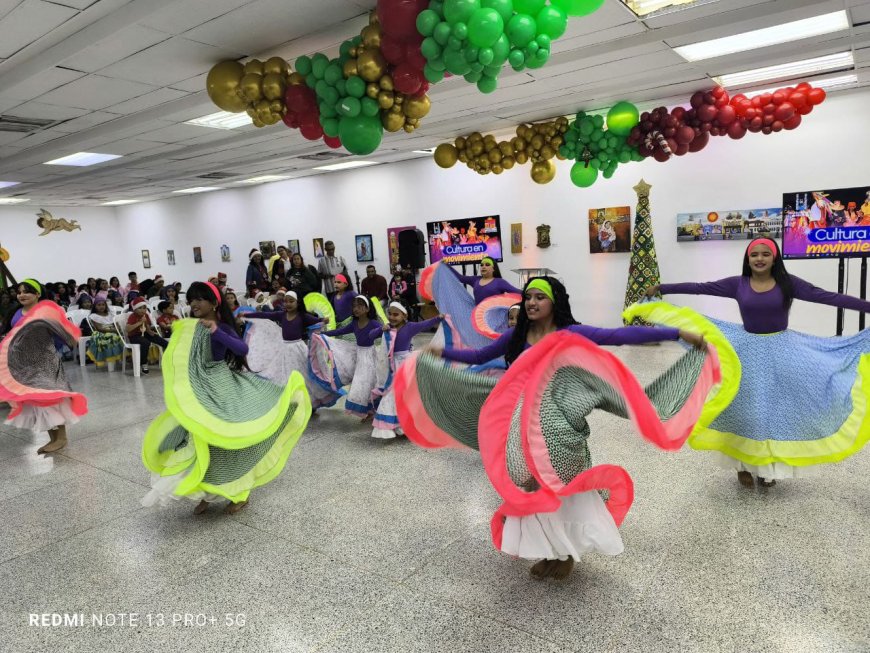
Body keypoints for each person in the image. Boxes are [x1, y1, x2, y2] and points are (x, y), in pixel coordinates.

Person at [397, 277, 715, 580]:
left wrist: (677, 334)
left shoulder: (570, 333)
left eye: (540, 298)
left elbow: (618, 335)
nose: (532, 303)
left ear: (554, 302)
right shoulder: (516, 336)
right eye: (528, 298)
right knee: (532, 483)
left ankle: (566, 554)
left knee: (564, 481)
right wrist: (442, 352)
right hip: (520, 420)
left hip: (560, 421)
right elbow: (480, 355)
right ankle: (547, 548)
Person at [644, 237, 870, 488]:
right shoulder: (738, 284)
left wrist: (867, 306)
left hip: (782, 351)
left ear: (775, 258)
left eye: (765, 254)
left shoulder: (788, 284)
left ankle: (765, 469)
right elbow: (700, 287)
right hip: (745, 351)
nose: (759, 259)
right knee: (743, 409)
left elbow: (827, 297)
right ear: (748, 259)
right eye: (754, 255)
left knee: (772, 411)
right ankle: (741, 466)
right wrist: (663, 287)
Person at [141, 281, 311, 515]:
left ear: (213, 303)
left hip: (220, 386)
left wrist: (216, 331)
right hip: (200, 387)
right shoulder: (191, 326)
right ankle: (206, 493)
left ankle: (238, 492)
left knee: (223, 442)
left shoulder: (219, 327)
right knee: (198, 439)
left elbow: (242, 350)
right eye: (191, 300)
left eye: (200, 299)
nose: (194, 303)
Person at [0, 280, 87, 454]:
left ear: (38, 294)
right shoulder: (15, 313)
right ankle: (54, 438)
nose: (22, 295)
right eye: (19, 292)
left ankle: (60, 438)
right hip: (24, 365)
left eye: (27, 292)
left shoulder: (45, 312)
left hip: (45, 362)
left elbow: (63, 331)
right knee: (39, 401)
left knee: (50, 399)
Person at [242, 291, 339, 411]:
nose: (288, 304)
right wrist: (247, 315)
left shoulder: (302, 316)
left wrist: (323, 320)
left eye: (291, 301)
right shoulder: (281, 314)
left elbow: (315, 320)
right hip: (285, 351)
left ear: (297, 303)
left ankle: (310, 401)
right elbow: (265, 315)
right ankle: (294, 401)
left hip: (298, 349)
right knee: (288, 375)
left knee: (304, 374)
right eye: (286, 301)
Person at [371, 302, 442, 439]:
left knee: (406, 395)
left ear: (405, 316)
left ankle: (406, 425)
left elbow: (426, 324)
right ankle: (391, 426)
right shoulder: (388, 328)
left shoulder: (410, 327)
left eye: (396, 314)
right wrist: (381, 330)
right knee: (391, 394)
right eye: (390, 314)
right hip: (391, 367)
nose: (392, 317)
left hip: (405, 366)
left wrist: (440, 317)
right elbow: (370, 335)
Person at [318, 296, 383, 420]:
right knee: (361, 384)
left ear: (368, 308)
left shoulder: (373, 323)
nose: (356, 309)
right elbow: (339, 332)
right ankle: (368, 410)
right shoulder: (354, 323)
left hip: (370, 357)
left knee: (368, 383)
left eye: (360, 306)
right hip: (359, 356)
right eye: (354, 306)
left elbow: (385, 332)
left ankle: (372, 409)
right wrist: (323, 334)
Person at [449, 257, 521, 305]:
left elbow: (516, 291)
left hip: (496, 318)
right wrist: (447, 265)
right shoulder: (475, 280)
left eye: (487, 265)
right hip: (479, 318)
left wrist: (529, 290)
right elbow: (460, 278)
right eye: (482, 265)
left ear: (493, 269)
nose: (483, 266)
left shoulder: (499, 282)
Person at [126, 297, 168, 375]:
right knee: (146, 342)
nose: (143, 310)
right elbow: (128, 329)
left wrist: (149, 331)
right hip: (134, 336)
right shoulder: (132, 316)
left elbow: (147, 324)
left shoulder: (145, 315)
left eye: (144, 308)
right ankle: (143, 363)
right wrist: (139, 322)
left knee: (161, 340)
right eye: (140, 308)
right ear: (135, 309)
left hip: (144, 333)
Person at [86, 298, 124, 368]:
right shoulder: (94, 316)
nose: (101, 306)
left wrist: (117, 329)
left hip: (114, 330)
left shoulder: (110, 315)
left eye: (103, 305)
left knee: (124, 336)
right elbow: (99, 328)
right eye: (99, 305)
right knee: (112, 337)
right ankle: (111, 360)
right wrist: (114, 331)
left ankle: (122, 358)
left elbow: (117, 324)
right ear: (95, 306)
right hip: (102, 333)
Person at [317, 240, 349, 305]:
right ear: (325, 249)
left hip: (341, 288)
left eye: (332, 249)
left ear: (334, 248)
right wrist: (327, 276)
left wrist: (341, 274)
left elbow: (346, 272)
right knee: (333, 307)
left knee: (342, 306)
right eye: (329, 249)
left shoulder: (340, 258)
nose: (331, 251)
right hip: (330, 289)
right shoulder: (321, 261)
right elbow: (319, 275)